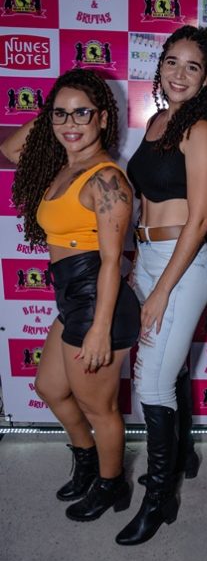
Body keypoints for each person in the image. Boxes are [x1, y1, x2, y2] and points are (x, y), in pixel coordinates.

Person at [0, 68, 141, 521]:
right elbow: (10, 149)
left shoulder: (106, 180)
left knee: (99, 408)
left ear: (103, 118)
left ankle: (112, 484)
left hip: (99, 301)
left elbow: (112, 262)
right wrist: (56, 117)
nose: (70, 122)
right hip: (73, 298)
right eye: (60, 114)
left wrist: (100, 329)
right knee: (50, 387)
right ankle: (87, 461)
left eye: (83, 113)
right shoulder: (65, 166)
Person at [115, 25, 207, 546]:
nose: (179, 74)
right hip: (149, 256)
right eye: (172, 62)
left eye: (192, 66)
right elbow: (144, 201)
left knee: (152, 384)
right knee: (170, 366)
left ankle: (160, 499)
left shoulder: (201, 130)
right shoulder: (157, 121)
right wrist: (134, 261)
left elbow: (201, 219)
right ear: (159, 66)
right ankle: (182, 454)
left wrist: (161, 288)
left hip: (183, 264)